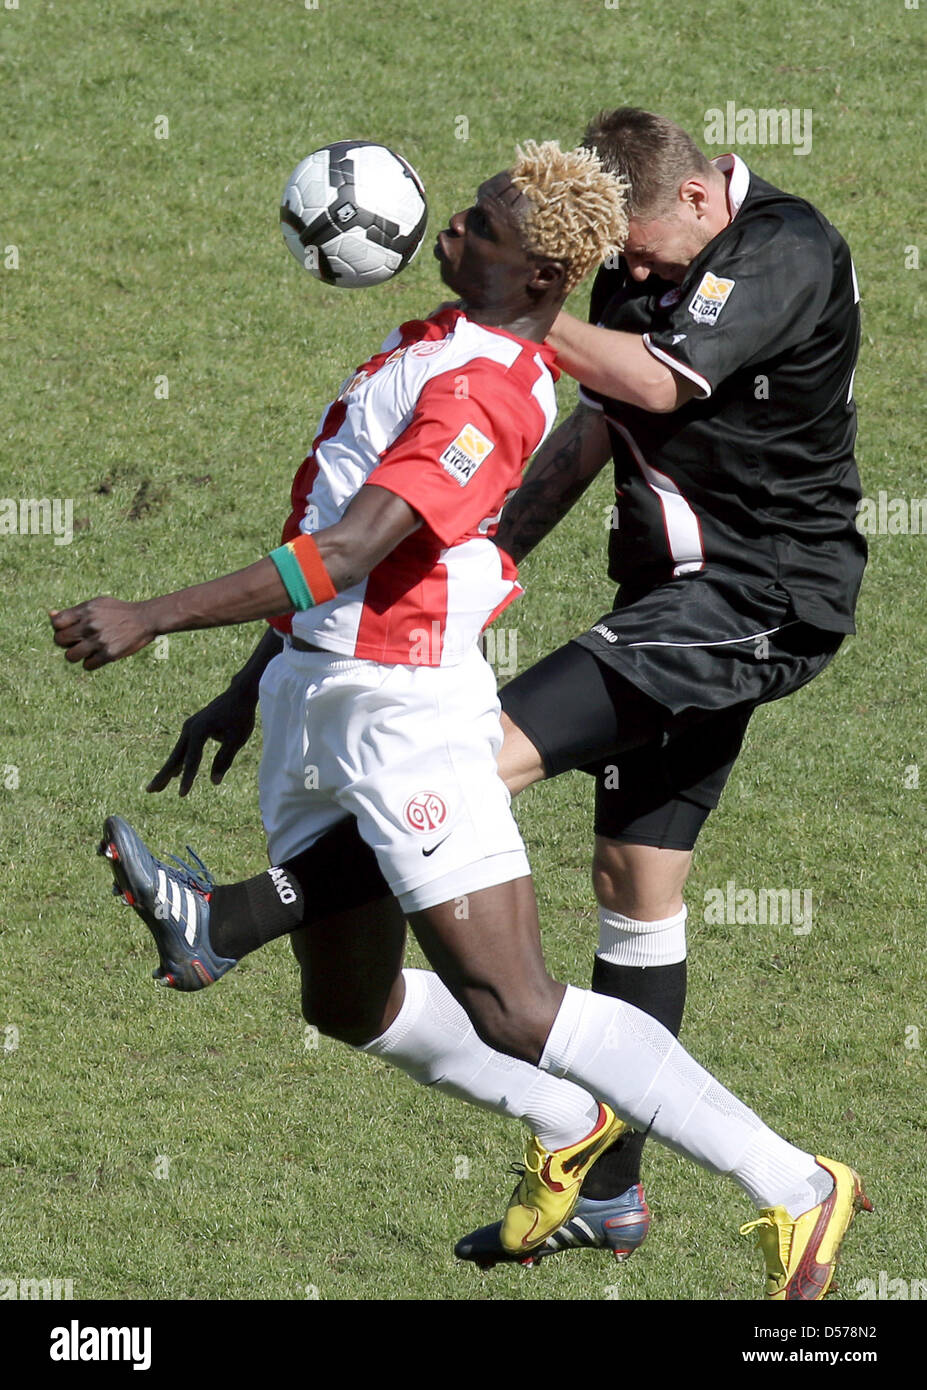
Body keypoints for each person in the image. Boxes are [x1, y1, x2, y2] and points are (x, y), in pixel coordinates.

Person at [52, 141, 869, 1299]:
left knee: (518, 1000)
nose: (447, 231)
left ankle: (794, 1183)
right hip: (316, 698)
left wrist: (151, 614)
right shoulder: (440, 343)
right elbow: (341, 516)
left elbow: (348, 552)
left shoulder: (486, 384)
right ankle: (572, 1126)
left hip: (413, 704)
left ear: (535, 275)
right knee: (346, 1001)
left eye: (478, 226)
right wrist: (251, 678)